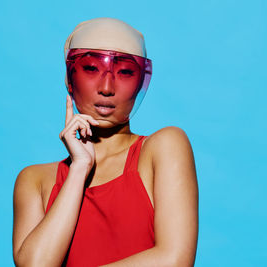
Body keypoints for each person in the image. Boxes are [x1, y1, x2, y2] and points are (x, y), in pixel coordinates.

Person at [12, 17, 198, 267]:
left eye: (125, 73)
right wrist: (79, 168)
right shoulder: (35, 181)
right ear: (70, 77)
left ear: (140, 82)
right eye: (91, 69)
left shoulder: (163, 148)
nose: (107, 87)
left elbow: (175, 260)